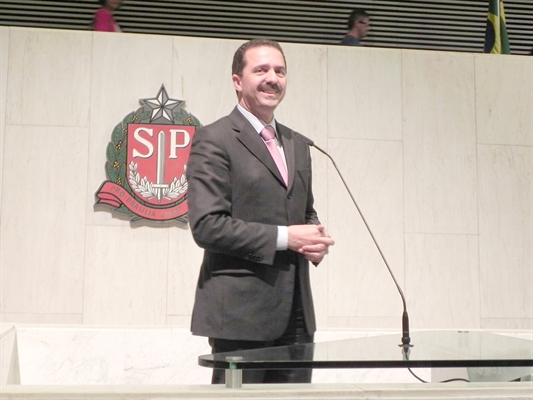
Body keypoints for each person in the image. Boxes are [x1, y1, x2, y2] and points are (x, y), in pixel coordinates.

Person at [186, 39, 335, 384]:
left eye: (280, 71)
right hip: (240, 317)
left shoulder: (299, 143)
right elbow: (207, 226)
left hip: (297, 316)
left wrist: (314, 237)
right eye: (261, 70)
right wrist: (287, 238)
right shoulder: (215, 139)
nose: (273, 78)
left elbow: (303, 211)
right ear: (238, 81)